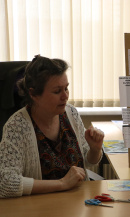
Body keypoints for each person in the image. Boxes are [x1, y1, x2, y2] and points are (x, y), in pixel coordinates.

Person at [0, 55, 104, 198]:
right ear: (34, 94)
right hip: (42, 208)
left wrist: (95, 149)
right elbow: (5, 183)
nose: (65, 96)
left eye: (66, 88)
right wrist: (62, 183)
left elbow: (88, 161)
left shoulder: (71, 113)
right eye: (57, 91)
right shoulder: (17, 127)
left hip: (79, 203)